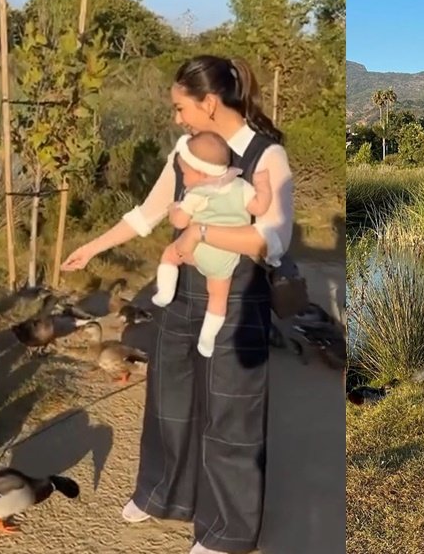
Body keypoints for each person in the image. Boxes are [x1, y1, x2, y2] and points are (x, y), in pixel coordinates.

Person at [60, 54, 293, 554]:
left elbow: (268, 243)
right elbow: (148, 213)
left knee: (231, 417)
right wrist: (92, 247)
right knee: (169, 401)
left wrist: (204, 230)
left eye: (180, 107)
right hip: (185, 295)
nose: (176, 118)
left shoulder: (267, 157)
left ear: (209, 103)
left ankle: (228, 533)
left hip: (239, 299)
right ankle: (164, 496)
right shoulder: (186, 152)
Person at [152, 131, 273, 357]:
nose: (184, 178)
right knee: (218, 299)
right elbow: (259, 208)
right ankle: (207, 339)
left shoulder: (197, 192)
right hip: (227, 255)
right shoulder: (241, 187)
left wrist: (173, 209)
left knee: (169, 255)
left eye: (185, 173)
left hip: (198, 249)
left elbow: (180, 221)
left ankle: (165, 293)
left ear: (199, 172)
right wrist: (264, 187)